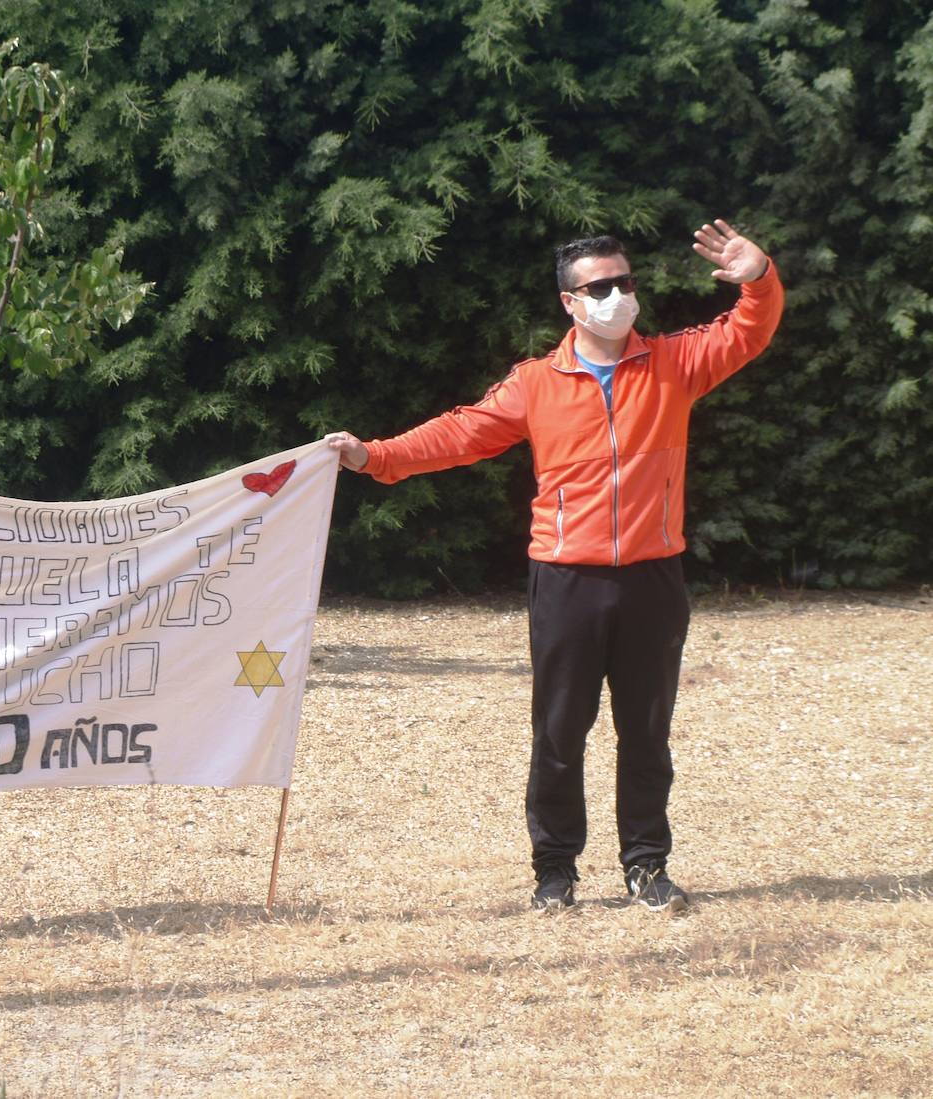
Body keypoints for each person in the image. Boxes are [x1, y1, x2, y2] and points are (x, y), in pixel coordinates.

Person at [328, 219, 783, 914]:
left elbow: (748, 332)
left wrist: (758, 276)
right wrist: (375, 455)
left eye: (624, 282)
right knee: (560, 730)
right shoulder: (537, 382)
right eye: (599, 286)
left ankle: (646, 865)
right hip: (565, 581)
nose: (617, 295)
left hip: (652, 579)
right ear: (569, 302)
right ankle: (555, 872)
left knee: (647, 732)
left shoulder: (672, 362)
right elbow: (460, 431)